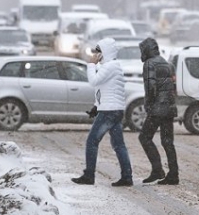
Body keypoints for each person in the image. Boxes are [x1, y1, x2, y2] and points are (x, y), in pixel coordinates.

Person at [72, 38, 133, 186]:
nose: (95, 54)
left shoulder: (110, 66)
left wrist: (91, 64)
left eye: (98, 51)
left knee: (92, 142)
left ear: (105, 52)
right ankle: (127, 177)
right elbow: (103, 89)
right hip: (113, 109)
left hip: (109, 111)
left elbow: (93, 81)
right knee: (119, 145)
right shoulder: (111, 66)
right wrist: (95, 106)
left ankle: (89, 176)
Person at [137, 37, 179, 185]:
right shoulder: (167, 64)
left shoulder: (149, 64)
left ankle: (157, 170)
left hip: (157, 108)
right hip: (169, 107)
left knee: (144, 137)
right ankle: (173, 174)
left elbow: (150, 87)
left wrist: (148, 105)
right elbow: (173, 88)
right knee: (168, 142)